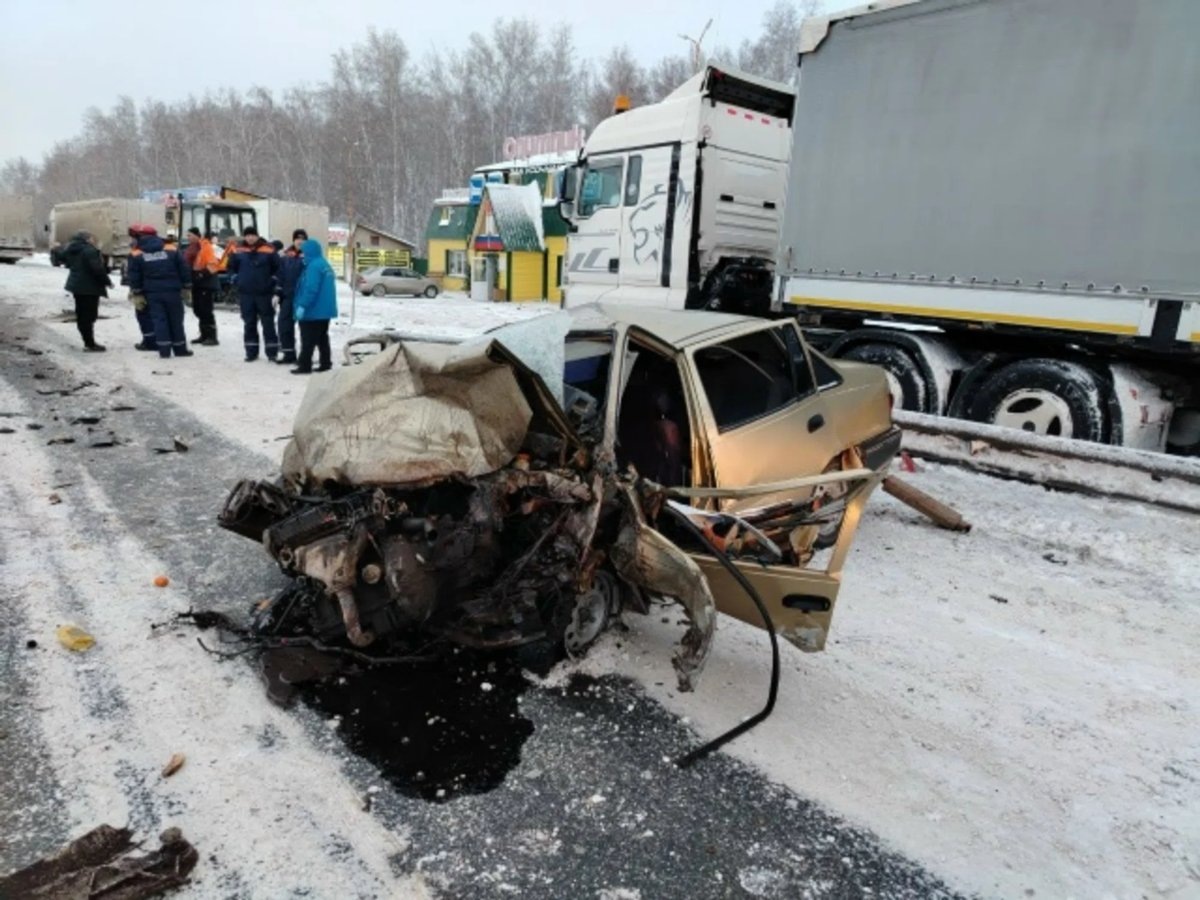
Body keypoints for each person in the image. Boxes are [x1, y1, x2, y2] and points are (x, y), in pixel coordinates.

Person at [127, 224, 193, 359]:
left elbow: (134, 275)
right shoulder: (171, 248)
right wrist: (187, 286)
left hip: (152, 293)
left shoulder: (136, 253)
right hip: (173, 290)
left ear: (139, 237)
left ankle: (164, 350)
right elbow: (183, 268)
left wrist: (137, 292)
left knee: (159, 320)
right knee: (176, 319)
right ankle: (180, 350)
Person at [226, 225, 280, 361]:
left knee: (268, 323)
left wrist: (273, 282)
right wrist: (235, 279)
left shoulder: (269, 250)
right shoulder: (238, 250)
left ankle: (272, 352)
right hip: (246, 294)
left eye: (252, 235)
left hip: (264, 294)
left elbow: (278, 269)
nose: (250, 238)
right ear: (245, 237)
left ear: (257, 236)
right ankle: (251, 352)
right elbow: (231, 267)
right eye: (247, 235)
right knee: (249, 323)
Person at [291, 238, 337, 374]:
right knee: (322, 338)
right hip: (325, 310)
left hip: (313, 310)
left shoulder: (313, 267)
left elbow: (311, 289)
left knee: (308, 339)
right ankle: (325, 363)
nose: (302, 255)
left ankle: (304, 366)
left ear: (309, 252)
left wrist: (303, 305)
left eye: (304, 252)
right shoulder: (324, 264)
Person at [61, 231, 112, 352]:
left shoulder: (71, 249)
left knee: (82, 314)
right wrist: (107, 281)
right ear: (86, 239)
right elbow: (97, 269)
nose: (93, 240)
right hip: (89, 287)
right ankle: (90, 344)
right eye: (91, 238)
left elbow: (64, 261)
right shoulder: (89, 250)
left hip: (77, 286)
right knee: (89, 316)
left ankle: (88, 341)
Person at [274, 228, 306, 366]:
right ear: (293, 240)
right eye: (297, 238)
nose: (300, 241)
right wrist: (277, 292)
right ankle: (289, 354)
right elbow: (279, 276)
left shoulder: (310, 256)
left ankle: (305, 357)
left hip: (304, 299)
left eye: (302, 238)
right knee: (284, 325)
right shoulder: (285, 256)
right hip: (288, 297)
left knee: (305, 329)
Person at [184, 227, 220, 345]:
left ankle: (212, 336)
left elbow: (213, 265)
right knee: (198, 309)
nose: (187, 238)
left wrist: (200, 274)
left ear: (196, 235)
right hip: (197, 282)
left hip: (206, 282)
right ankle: (204, 335)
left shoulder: (206, 247)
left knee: (205, 310)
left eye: (189, 235)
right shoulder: (192, 248)